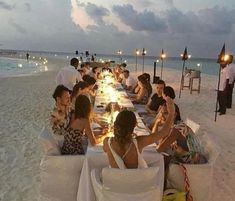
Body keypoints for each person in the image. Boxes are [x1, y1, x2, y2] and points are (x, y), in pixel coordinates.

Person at [103, 97, 177, 169]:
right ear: (135, 125)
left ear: (115, 124)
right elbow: (163, 132)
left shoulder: (107, 141)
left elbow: (105, 150)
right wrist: (171, 113)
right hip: (137, 180)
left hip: (114, 180)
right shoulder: (139, 142)